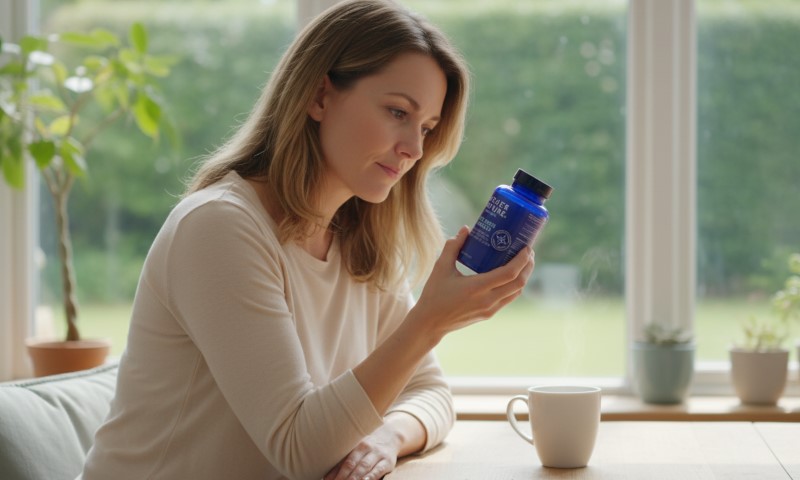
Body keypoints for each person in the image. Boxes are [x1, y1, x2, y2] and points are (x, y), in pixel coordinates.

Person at [80, 1, 535, 479]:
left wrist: (386, 435)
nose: (415, 149)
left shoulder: (360, 239)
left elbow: (431, 393)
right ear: (319, 97)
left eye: (426, 128)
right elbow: (298, 449)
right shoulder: (220, 228)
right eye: (397, 111)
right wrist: (428, 322)